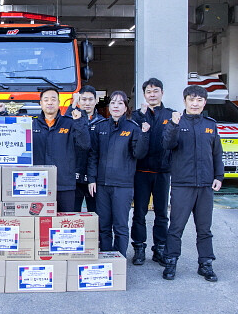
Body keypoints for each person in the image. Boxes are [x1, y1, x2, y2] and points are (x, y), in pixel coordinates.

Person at [162, 85, 224, 282]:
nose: (195, 104)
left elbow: (217, 153)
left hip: (205, 185)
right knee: (176, 227)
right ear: (185, 101)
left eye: (199, 100)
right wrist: (173, 125)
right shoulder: (176, 122)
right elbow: (167, 144)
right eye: (191, 100)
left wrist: (219, 176)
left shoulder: (210, 125)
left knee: (204, 229)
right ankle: (171, 262)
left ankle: (206, 264)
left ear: (204, 102)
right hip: (182, 184)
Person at [87, 91, 150, 257]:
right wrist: (92, 179)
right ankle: (106, 258)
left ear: (126, 108)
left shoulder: (132, 127)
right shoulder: (100, 127)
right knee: (104, 225)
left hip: (123, 185)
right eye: (113, 102)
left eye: (120, 103)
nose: (116, 106)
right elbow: (93, 155)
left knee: (120, 226)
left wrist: (144, 135)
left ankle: (119, 259)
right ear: (109, 106)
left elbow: (139, 154)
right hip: (102, 184)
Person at [130, 78, 175, 266]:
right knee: (139, 212)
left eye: (156, 91)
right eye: (149, 92)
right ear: (144, 95)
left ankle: (160, 248)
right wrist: (142, 115)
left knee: (162, 212)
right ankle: (139, 248)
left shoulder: (171, 115)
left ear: (162, 93)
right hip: (141, 171)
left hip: (162, 171)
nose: (152, 95)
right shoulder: (137, 115)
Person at [32, 88, 90, 212]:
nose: (50, 102)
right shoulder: (32, 124)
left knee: (65, 221)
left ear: (58, 103)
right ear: (41, 103)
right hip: (38, 184)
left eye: (53, 99)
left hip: (64, 184)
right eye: (46, 100)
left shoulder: (69, 123)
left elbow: (84, 145)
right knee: (40, 221)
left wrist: (79, 122)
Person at [65, 85, 104, 212]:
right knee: (72, 214)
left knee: (95, 214)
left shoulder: (102, 123)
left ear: (96, 100)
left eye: (90, 99)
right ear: (79, 100)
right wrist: (73, 105)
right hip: (74, 176)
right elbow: (64, 122)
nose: (87, 103)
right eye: (84, 99)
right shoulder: (72, 119)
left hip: (94, 178)